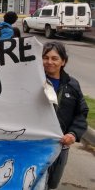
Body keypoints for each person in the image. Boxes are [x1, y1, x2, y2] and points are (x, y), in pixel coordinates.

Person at [42, 42, 88, 189]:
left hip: (60, 146)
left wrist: (73, 134)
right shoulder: (32, 81)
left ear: (63, 61)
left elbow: (81, 113)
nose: (49, 62)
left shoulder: (72, 85)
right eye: (45, 57)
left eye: (55, 58)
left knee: (51, 183)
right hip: (33, 144)